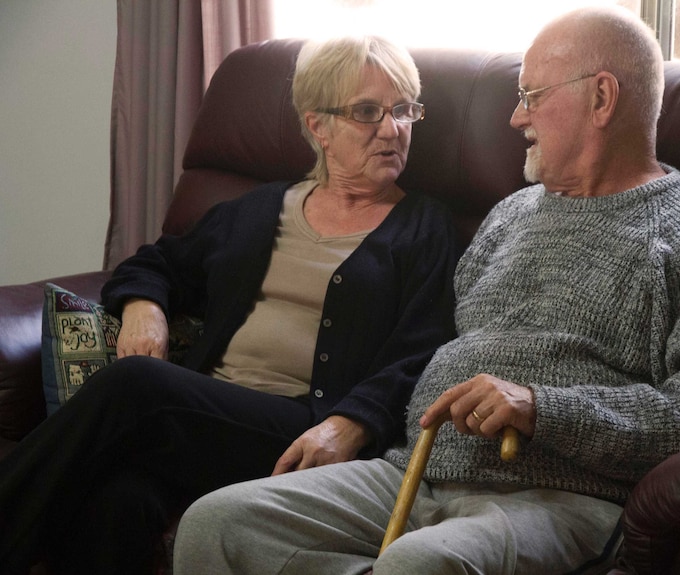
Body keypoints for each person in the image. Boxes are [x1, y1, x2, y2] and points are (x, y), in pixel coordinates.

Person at [172, 6, 680, 575]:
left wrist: (543, 408)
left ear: (601, 97)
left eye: (532, 97)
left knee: (416, 564)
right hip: (413, 469)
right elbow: (435, 345)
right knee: (216, 523)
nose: (515, 118)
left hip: (558, 497)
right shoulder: (508, 215)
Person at [0, 35, 459, 575]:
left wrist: (351, 423)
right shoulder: (257, 210)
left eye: (404, 110)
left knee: (139, 385)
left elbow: (425, 348)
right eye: (368, 112)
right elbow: (153, 263)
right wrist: (145, 303)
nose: (393, 129)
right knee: (119, 499)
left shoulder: (426, 228)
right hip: (208, 417)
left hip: (305, 429)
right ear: (319, 128)